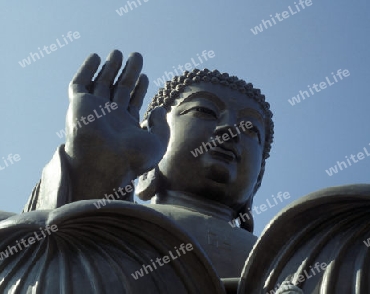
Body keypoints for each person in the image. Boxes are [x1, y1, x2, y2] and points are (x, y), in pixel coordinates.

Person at [21, 49, 274, 278]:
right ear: (152, 133)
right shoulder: (120, 219)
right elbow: (49, 267)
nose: (230, 129)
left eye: (251, 128)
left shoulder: (285, 251)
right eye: (204, 111)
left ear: (260, 176)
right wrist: (94, 173)